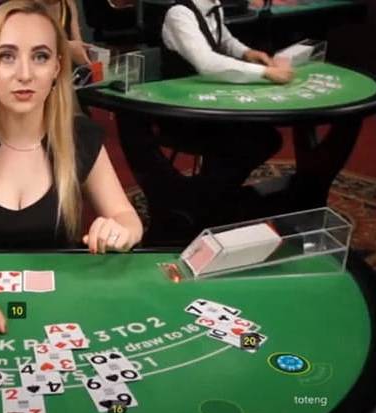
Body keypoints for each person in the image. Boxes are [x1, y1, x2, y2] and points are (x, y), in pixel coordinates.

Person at [0, 0, 142, 348]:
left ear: (57, 68)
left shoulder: (80, 136)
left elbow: (127, 216)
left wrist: (120, 231)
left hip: (62, 311)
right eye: (6, 56)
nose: (25, 74)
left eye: (40, 56)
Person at [115, 0, 293, 239]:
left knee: (266, 138)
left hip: (211, 110)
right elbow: (207, 62)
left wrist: (246, 53)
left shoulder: (212, 5)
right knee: (256, 141)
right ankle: (201, 203)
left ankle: (206, 198)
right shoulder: (179, 14)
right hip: (182, 116)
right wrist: (266, 73)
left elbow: (224, 39)